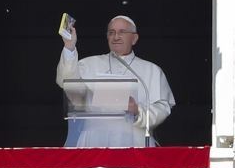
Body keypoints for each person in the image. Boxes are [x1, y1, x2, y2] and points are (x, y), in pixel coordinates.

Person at [56, 15, 175, 147]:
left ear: (134, 38)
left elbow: (162, 108)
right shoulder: (89, 64)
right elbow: (66, 82)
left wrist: (138, 110)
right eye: (111, 32)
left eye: (122, 32)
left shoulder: (152, 70)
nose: (116, 36)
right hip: (94, 142)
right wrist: (69, 47)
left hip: (135, 141)